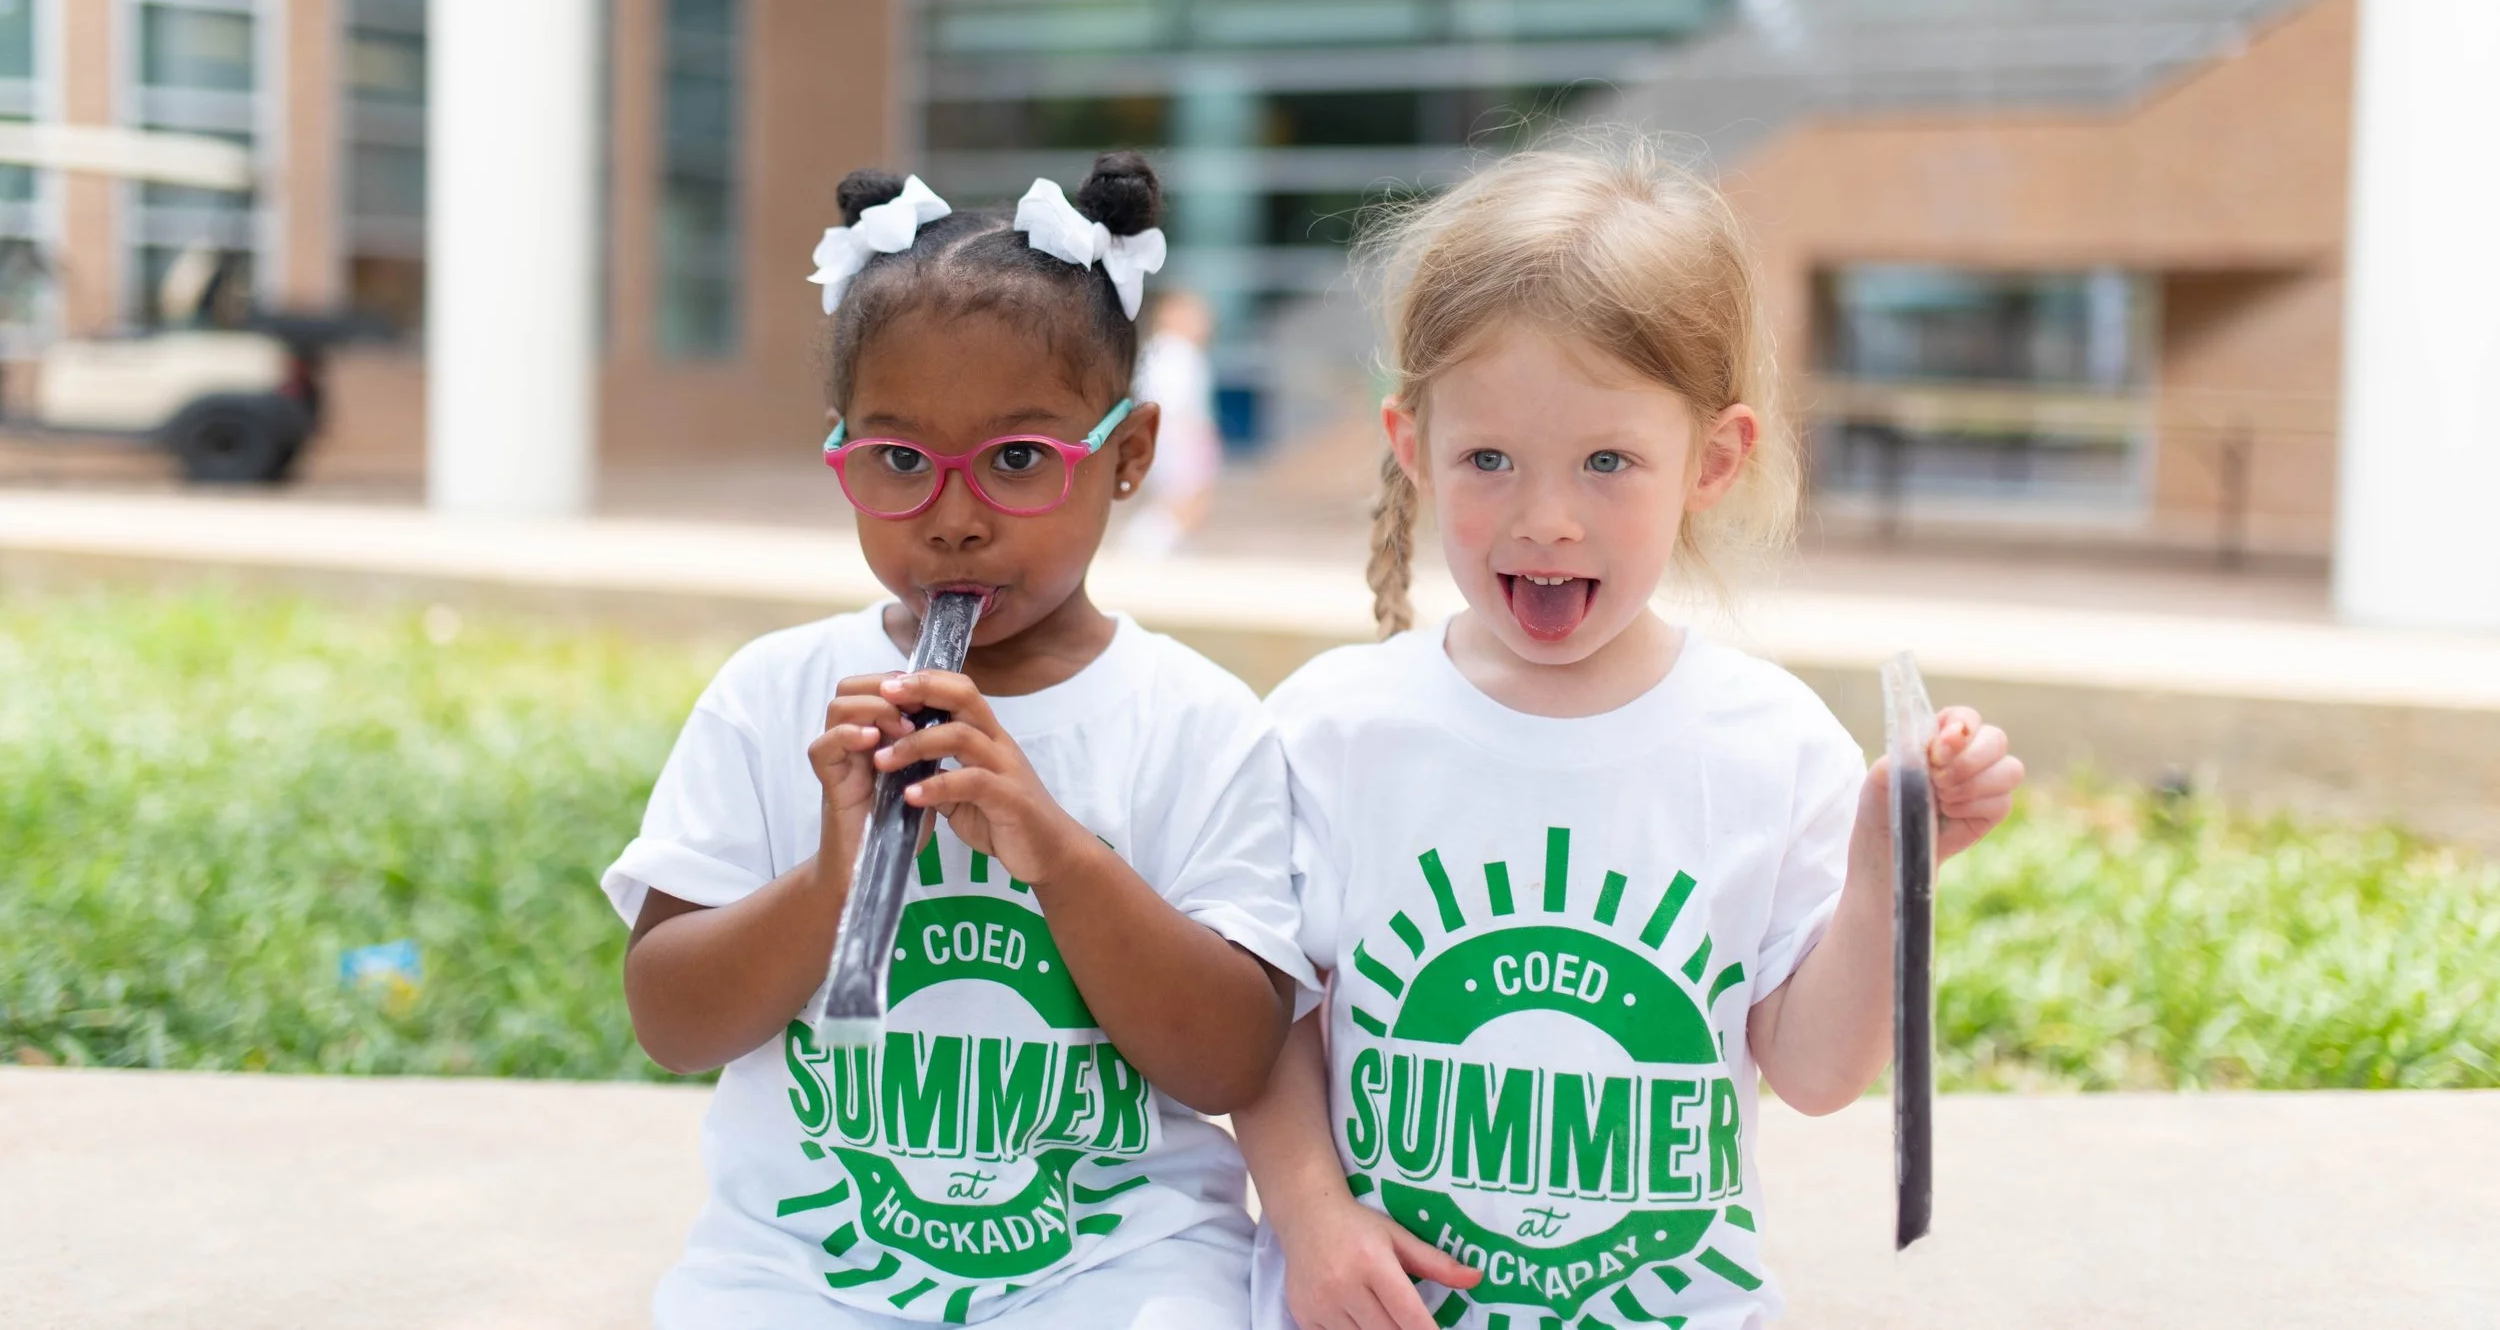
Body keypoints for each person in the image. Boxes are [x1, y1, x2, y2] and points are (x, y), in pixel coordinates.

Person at [1231, 133, 2026, 1330]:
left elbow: (1813, 1074)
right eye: (1488, 457)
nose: (1546, 518)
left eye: (1608, 461)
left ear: (1713, 460)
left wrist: (1885, 864)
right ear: (1412, 446)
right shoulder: (1333, 729)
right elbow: (1264, 1020)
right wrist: (1307, 1211)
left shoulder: (1770, 746)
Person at [604, 151, 1312, 1329]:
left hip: (1116, 1262)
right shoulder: (773, 693)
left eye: (1021, 460)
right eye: (897, 461)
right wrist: (832, 877)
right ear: (839, 453)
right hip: (799, 1262)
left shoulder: (1195, 722)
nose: (955, 516)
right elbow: (670, 1022)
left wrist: (1058, 850)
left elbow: (1229, 1058)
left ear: (1127, 456)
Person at [1119, 290, 1221, 558]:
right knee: (1184, 496)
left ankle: (1159, 543)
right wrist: (1187, 436)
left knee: (1188, 496)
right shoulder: (1175, 352)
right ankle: (1146, 543)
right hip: (1177, 435)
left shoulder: (1170, 351)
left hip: (1175, 433)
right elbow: (1172, 402)